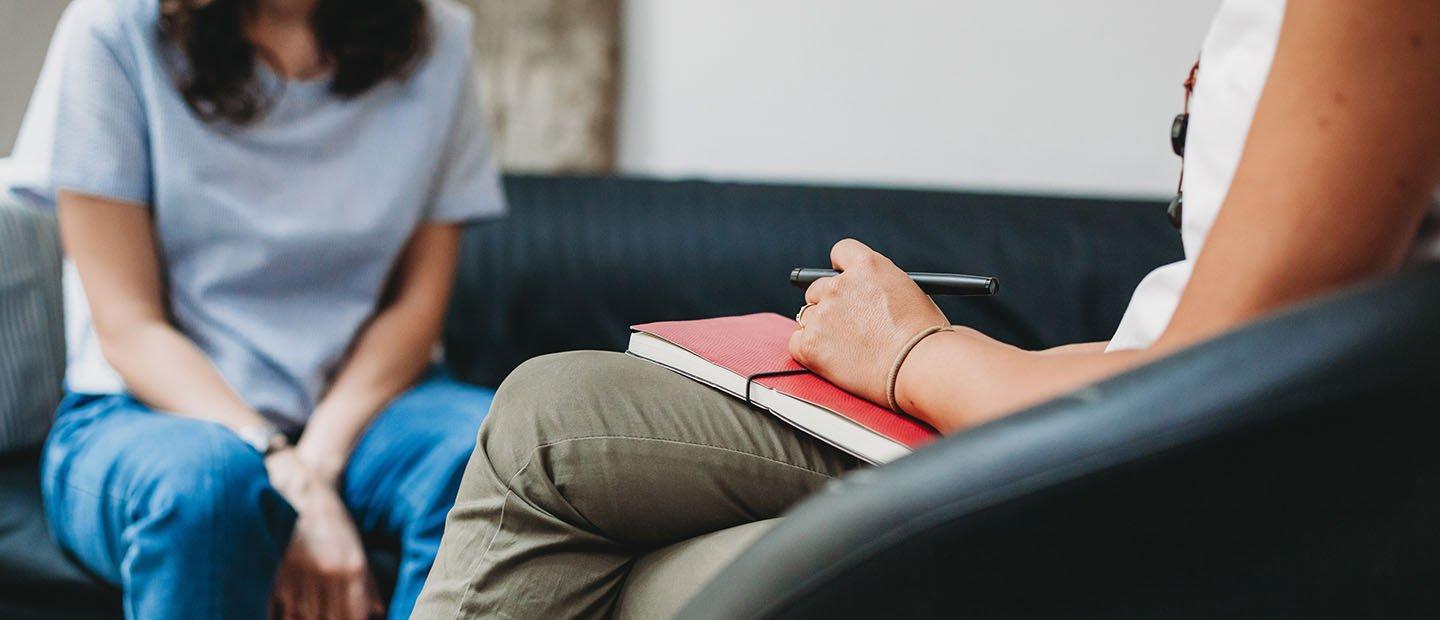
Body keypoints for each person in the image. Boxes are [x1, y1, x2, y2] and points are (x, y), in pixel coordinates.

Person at [411, 0, 1440, 617]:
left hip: (1183, 478)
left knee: (650, 584)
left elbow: (1223, 383)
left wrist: (916, 354)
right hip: (1139, 415)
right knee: (556, 411)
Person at [7, 0, 505, 617]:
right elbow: (129, 327)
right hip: (151, 412)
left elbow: (414, 306)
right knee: (210, 485)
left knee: (498, 458)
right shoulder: (111, 29)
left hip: (368, 410)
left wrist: (315, 465)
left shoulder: (439, 38)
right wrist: (277, 464)